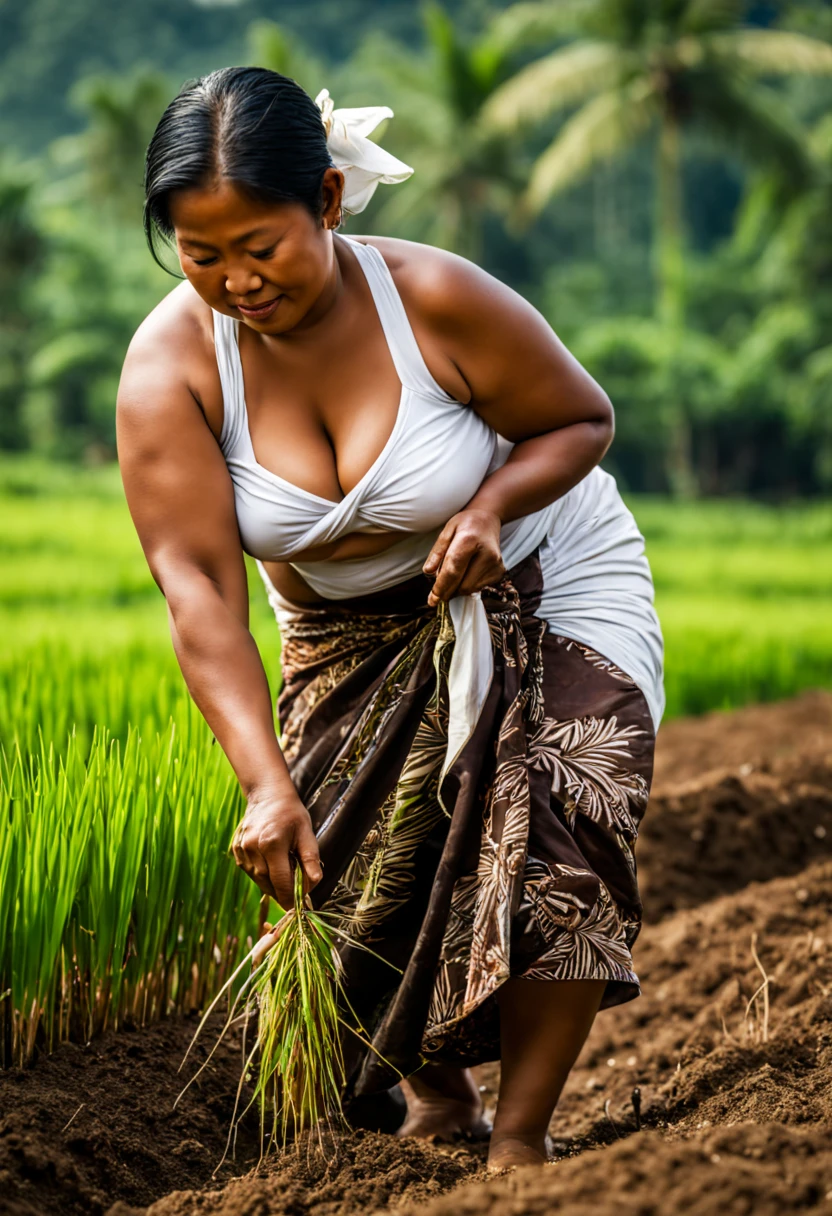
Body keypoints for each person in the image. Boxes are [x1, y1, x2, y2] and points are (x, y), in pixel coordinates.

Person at [117, 66, 664, 1172]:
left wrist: (493, 506)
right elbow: (199, 588)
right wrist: (266, 785)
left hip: (542, 573)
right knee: (347, 869)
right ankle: (441, 1099)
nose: (236, 280)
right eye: (201, 252)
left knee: (562, 808)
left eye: (258, 244)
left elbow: (578, 418)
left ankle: (520, 1137)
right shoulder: (170, 367)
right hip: (343, 631)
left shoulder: (436, 299)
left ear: (325, 199)